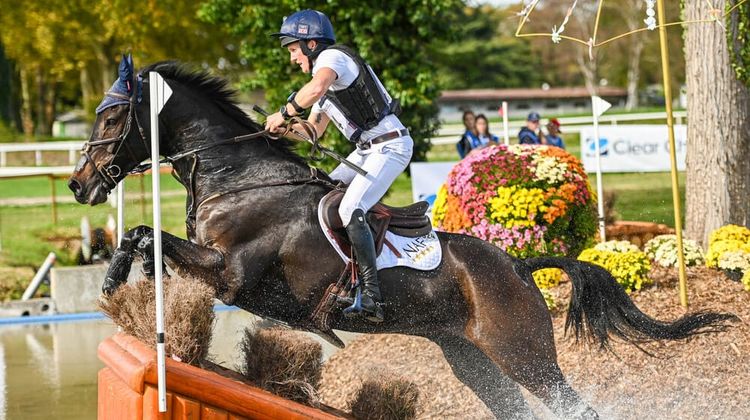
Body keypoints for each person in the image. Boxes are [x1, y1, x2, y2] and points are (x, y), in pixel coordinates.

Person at [265, 9, 413, 323]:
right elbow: (313, 132)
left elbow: (315, 89)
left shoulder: (332, 60)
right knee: (318, 194)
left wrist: (284, 110)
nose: (292, 59)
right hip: (366, 150)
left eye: (293, 50)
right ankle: (342, 274)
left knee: (349, 209)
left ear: (311, 44)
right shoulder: (325, 84)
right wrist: (284, 128)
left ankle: (372, 296)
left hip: (391, 145)